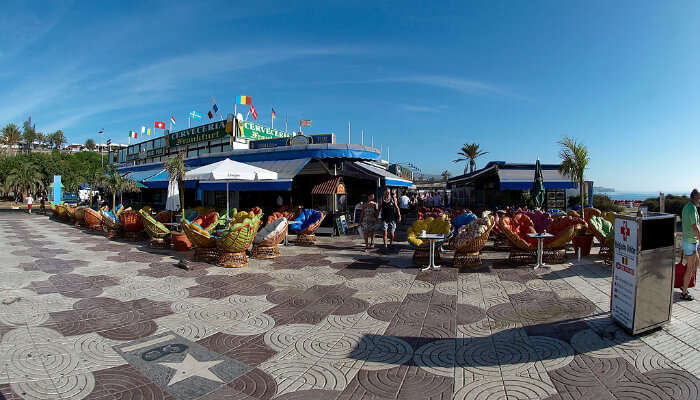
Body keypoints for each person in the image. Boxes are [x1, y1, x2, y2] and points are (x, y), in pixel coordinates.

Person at [681, 189, 700, 300]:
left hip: (690, 241)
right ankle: (684, 292)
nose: (699, 200)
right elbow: (694, 227)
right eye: (698, 198)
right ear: (693, 197)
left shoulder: (689, 206)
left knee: (696, 263)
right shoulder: (691, 208)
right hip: (690, 242)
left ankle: (685, 284)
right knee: (690, 267)